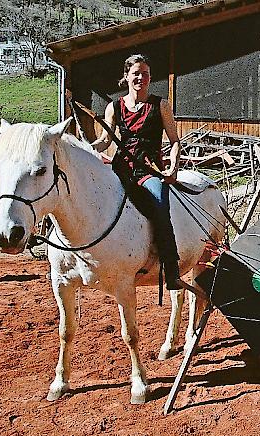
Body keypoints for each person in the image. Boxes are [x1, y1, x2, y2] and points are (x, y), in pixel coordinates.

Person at [92, 54, 182, 289]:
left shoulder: (161, 105)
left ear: (150, 78)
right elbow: (105, 140)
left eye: (145, 74)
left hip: (149, 170)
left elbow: (174, 141)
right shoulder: (114, 107)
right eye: (136, 73)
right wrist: (88, 148)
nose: (140, 77)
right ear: (126, 77)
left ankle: (171, 268)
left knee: (161, 204)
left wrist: (173, 166)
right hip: (121, 169)